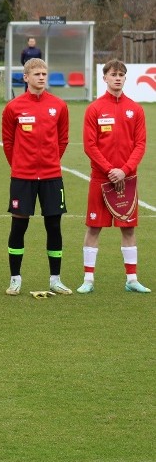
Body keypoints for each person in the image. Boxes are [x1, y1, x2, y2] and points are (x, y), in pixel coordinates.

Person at [78, 59, 150, 294]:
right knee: (93, 227)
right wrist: (110, 169)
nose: (117, 78)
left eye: (121, 74)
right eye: (113, 74)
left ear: (125, 78)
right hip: (101, 179)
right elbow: (90, 145)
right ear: (105, 78)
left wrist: (125, 170)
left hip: (127, 180)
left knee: (128, 229)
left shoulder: (136, 109)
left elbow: (140, 144)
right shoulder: (95, 109)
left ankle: (132, 279)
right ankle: (88, 280)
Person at [1, 58, 71, 296]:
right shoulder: (13, 107)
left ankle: (55, 279)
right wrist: (21, 165)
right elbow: (8, 143)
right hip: (23, 178)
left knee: (54, 226)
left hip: (52, 177)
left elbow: (62, 140)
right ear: (26, 77)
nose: (41, 77)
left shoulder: (59, 106)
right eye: (37, 74)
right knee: (19, 226)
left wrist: (50, 161)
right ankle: (15, 279)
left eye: (44, 73)